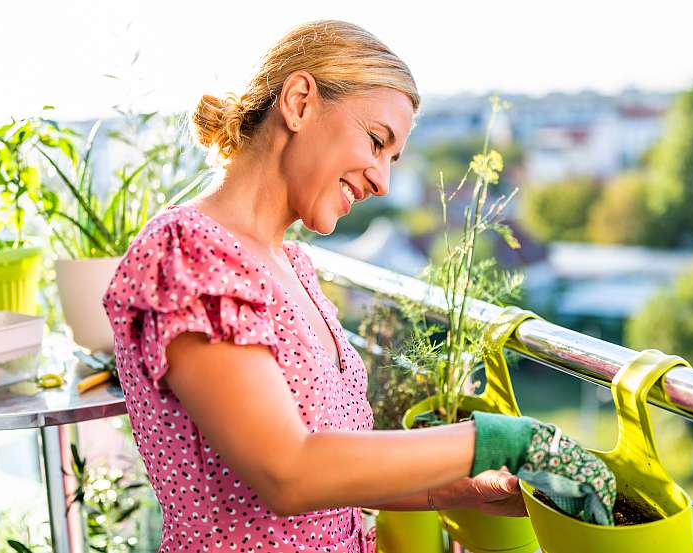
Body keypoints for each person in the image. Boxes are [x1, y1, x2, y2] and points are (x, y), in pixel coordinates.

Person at [103, 19, 611, 553]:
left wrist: (471, 490)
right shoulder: (187, 252)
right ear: (299, 102)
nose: (383, 181)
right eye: (376, 142)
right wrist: (503, 442)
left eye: (393, 159)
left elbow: (339, 466)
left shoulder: (293, 266)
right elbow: (289, 472)